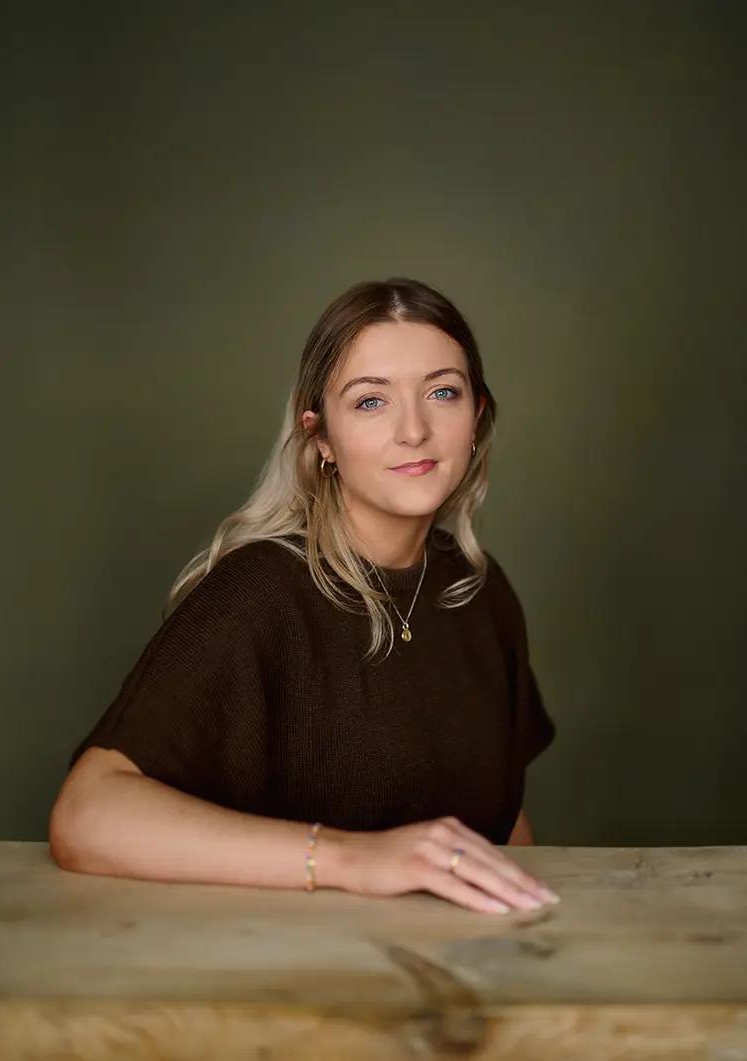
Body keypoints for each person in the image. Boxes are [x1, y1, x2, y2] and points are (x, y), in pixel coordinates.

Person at [49, 276, 560, 916]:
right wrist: (350, 858)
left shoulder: (478, 593)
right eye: (371, 402)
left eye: (442, 392)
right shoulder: (259, 592)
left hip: (447, 991)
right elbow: (86, 815)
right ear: (320, 437)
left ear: (477, 416)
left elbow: (503, 828)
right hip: (285, 990)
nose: (414, 430)